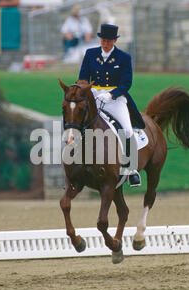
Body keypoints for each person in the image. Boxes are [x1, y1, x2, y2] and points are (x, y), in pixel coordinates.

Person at [78, 24, 145, 187]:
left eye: (109, 41)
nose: (105, 43)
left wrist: (111, 94)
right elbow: (82, 77)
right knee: (77, 123)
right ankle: (75, 167)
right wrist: (87, 91)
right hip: (93, 96)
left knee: (127, 130)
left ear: (115, 40)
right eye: (103, 40)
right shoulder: (90, 54)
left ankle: (131, 169)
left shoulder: (123, 57)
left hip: (115, 98)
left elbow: (126, 83)